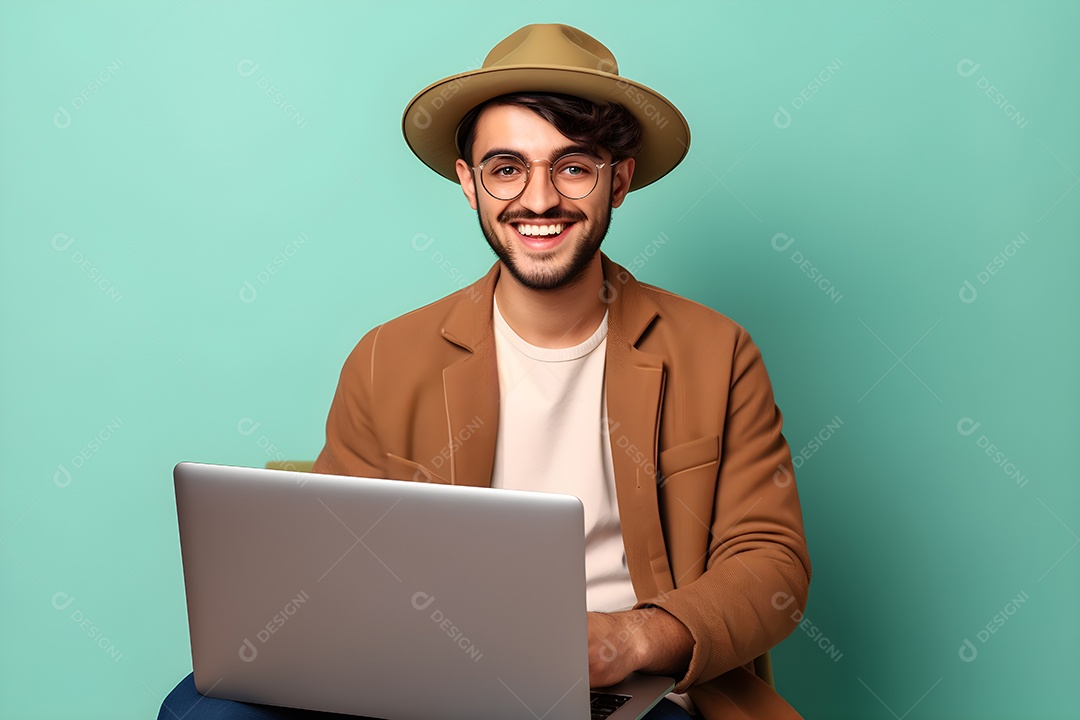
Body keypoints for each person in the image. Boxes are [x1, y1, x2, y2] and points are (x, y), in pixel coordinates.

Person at [159, 23, 810, 720]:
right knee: (202, 708)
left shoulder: (716, 351)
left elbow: (771, 561)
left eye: (573, 166)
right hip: (426, 677)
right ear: (469, 183)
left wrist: (632, 636)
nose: (538, 200)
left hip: (630, 691)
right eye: (507, 168)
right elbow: (336, 568)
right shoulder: (386, 357)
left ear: (618, 180)